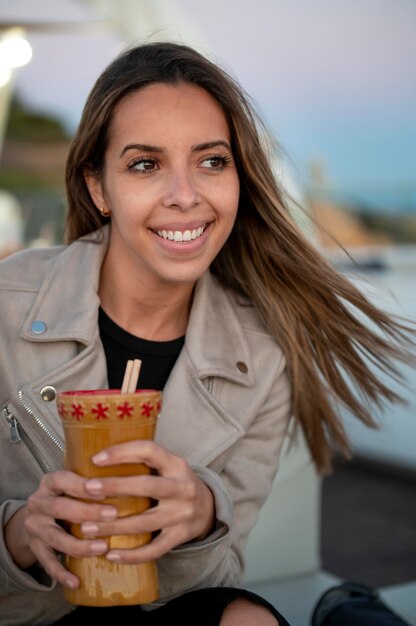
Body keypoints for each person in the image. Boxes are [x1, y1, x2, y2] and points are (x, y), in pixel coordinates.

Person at [0, 41, 414, 626]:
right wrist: (17, 535)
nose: (186, 195)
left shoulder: (263, 353)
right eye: (145, 164)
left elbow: (219, 576)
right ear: (98, 188)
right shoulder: (5, 309)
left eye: (212, 161)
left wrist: (202, 515)